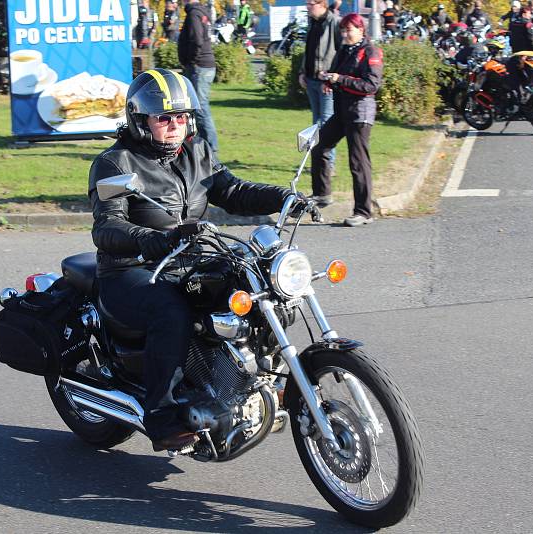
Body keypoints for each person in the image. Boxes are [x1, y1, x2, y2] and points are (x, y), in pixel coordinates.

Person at [88, 68, 302, 451]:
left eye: (182, 116)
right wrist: (159, 239)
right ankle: (162, 414)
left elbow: (232, 190)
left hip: (190, 258)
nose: (174, 125)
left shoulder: (196, 151)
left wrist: (283, 197)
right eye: (164, 118)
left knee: (260, 282)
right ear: (140, 120)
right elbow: (107, 228)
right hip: (133, 270)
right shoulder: (116, 163)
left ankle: (262, 379)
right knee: (172, 311)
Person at [311, 13, 383, 227]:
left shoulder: (371, 51)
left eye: (349, 30)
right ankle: (322, 194)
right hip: (342, 111)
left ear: (361, 30)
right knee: (319, 146)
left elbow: (371, 85)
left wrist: (339, 79)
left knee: (358, 162)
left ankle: (363, 211)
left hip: (360, 113)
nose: (345, 34)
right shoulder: (345, 49)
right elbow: (338, 74)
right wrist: (329, 80)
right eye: (343, 30)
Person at [299, 0, 342, 186]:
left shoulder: (333, 22)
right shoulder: (313, 23)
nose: (307, 7)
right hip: (311, 80)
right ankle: (319, 161)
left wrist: (332, 78)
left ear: (321, 4)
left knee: (326, 123)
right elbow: (308, 51)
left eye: (310, 4)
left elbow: (340, 52)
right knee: (316, 122)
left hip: (326, 83)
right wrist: (302, 72)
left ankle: (328, 164)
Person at [178, 0, 220, 154]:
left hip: (199, 66)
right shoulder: (202, 12)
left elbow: (197, 40)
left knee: (200, 107)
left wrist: (191, 61)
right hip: (204, 65)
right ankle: (200, 144)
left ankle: (211, 146)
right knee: (196, 106)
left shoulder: (194, 14)